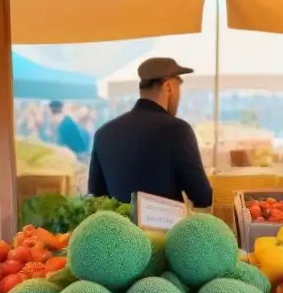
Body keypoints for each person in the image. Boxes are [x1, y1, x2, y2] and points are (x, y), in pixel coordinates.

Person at [88, 58, 212, 207]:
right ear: (168, 87)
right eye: (178, 88)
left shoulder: (103, 133)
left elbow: (95, 197)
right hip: (166, 229)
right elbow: (202, 197)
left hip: (118, 229)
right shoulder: (177, 130)